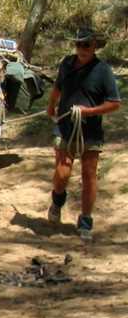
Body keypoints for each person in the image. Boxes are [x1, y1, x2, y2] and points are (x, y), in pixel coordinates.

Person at [46, 28, 121, 242]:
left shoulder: (103, 71)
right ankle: (57, 200)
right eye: (78, 45)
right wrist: (52, 105)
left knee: (89, 176)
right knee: (62, 174)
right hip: (65, 126)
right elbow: (57, 88)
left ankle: (86, 220)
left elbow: (114, 104)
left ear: (95, 46)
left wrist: (88, 111)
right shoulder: (67, 64)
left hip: (91, 132)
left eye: (86, 45)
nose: (82, 49)